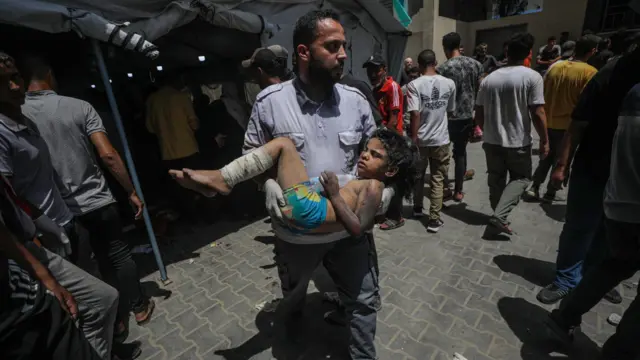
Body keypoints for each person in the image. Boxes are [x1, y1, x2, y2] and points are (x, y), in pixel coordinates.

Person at [239, 9, 394, 359]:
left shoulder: (356, 102)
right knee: (293, 297)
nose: (343, 54)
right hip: (297, 234)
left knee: (364, 301)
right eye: (333, 46)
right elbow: (252, 157)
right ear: (304, 52)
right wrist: (267, 185)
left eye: (345, 46)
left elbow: (380, 153)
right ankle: (292, 336)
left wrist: (386, 190)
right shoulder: (270, 103)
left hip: (349, 230)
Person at [0, 51, 132, 360]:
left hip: (65, 222)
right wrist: (131, 191)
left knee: (93, 294)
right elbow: (6, 203)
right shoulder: (5, 132)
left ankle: (107, 346)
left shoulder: (27, 121)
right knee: (87, 298)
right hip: (40, 238)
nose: (15, 87)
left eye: (15, 77)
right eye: (3, 83)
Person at [21, 58, 155, 335]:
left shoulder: (17, 115)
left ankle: (114, 321)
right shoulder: (78, 106)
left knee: (86, 266)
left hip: (58, 212)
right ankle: (139, 307)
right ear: (49, 74)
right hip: (97, 199)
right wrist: (130, 190)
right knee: (117, 253)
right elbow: (108, 154)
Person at [535, 38, 640, 305]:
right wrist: (562, 165)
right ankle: (566, 280)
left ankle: (594, 278)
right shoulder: (605, 74)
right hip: (594, 164)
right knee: (581, 226)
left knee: (608, 231)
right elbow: (578, 123)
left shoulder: (563, 68)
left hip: (626, 173)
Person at [545, 82, 640, 359]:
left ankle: (565, 315)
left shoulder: (630, 89)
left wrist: (561, 164)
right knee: (608, 261)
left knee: (612, 265)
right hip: (619, 197)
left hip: (619, 200)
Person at [171, 130, 416, 236]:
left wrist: (334, 194)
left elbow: (359, 229)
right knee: (280, 157)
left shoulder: (374, 186)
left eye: (375, 155)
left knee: (284, 145)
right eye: (366, 150)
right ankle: (221, 183)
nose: (364, 155)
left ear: (391, 170)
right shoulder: (366, 181)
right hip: (305, 217)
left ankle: (224, 180)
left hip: (308, 211)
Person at [475, 32, 550, 235]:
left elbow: (479, 111)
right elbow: (537, 112)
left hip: (491, 141)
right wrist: (544, 139)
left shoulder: (489, 79)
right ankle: (499, 217)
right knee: (522, 178)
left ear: (507, 53)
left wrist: (484, 129)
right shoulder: (532, 77)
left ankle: (498, 217)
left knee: (496, 179)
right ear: (529, 54)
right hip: (517, 142)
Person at [525, 36, 598, 203]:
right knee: (562, 160)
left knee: (546, 156)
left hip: (549, 122)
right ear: (592, 51)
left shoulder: (554, 68)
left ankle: (534, 187)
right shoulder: (590, 73)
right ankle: (550, 192)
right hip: (569, 127)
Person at [406, 50, 456, 233]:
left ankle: (418, 208)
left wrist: (414, 138)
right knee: (437, 179)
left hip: (421, 140)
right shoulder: (449, 84)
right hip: (441, 140)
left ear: (419, 65)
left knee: (418, 176)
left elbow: (415, 114)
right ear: (435, 62)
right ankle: (434, 219)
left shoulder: (414, 85)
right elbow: (450, 111)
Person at [145, 73, 201, 221]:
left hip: (167, 152)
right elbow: (194, 124)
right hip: (188, 148)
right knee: (194, 184)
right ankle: (197, 215)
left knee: (177, 187)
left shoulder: (152, 100)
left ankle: (183, 216)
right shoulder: (181, 97)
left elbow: (150, 128)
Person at [437, 32, 483, 202]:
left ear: (446, 48)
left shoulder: (443, 68)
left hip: (447, 117)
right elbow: (481, 91)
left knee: (443, 153)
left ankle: (444, 188)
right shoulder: (476, 65)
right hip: (466, 116)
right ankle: (458, 191)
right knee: (460, 153)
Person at [364, 55, 406, 231]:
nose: (372, 74)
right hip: (380, 140)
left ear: (384, 70)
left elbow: (394, 119)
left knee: (394, 179)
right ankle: (382, 210)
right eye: (369, 70)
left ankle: (396, 216)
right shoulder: (374, 91)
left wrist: (385, 143)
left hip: (393, 141)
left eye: (376, 69)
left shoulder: (392, 87)